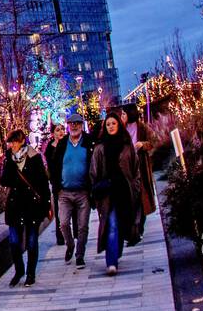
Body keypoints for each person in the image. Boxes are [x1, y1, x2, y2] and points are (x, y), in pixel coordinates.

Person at [89, 112, 141, 276]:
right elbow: (93, 173)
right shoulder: (100, 148)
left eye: (113, 123)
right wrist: (95, 191)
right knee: (111, 224)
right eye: (108, 124)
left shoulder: (127, 146)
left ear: (119, 125)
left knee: (120, 224)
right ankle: (111, 262)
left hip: (125, 192)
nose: (111, 126)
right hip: (107, 195)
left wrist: (135, 187)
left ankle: (116, 252)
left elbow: (135, 169)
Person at [0, 128, 52, 287]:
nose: (12, 145)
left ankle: (31, 273)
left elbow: (43, 183)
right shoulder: (8, 158)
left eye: (14, 142)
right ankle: (19, 270)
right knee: (14, 242)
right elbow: (4, 181)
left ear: (22, 141)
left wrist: (47, 204)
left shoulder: (34, 157)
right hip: (14, 206)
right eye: (10, 142)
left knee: (31, 241)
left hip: (32, 206)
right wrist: (9, 162)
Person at [48, 113, 94, 268]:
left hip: (83, 192)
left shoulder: (88, 141)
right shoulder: (62, 144)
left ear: (82, 125)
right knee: (64, 223)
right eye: (71, 124)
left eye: (77, 123)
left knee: (82, 226)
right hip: (64, 193)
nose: (74, 126)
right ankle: (70, 245)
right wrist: (57, 188)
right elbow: (53, 168)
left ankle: (80, 255)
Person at [121, 105, 158, 239]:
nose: (122, 116)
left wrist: (142, 144)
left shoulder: (141, 127)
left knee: (141, 197)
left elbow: (153, 141)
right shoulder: (121, 128)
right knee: (129, 198)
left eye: (124, 113)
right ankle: (132, 227)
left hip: (140, 166)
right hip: (125, 168)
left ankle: (139, 226)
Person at [43, 122, 68, 245]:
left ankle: (71, 232)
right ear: (53, 134)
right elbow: (51, 169)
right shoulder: (49, 149)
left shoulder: (69, 144)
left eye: (62, 129)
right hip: (58, 184)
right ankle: (60, 236)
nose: (61, 132)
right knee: (59, 211)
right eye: (58, 130)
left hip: (70, 182)